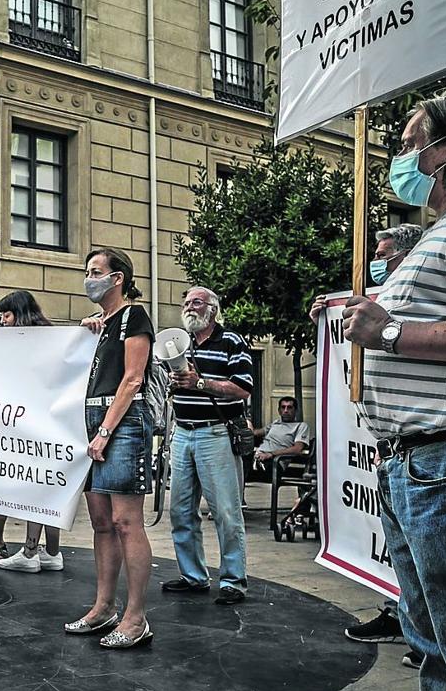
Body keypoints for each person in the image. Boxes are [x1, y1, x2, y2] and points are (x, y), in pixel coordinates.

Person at [339, 90, 446, 691]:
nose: (401, 155)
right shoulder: (435, 235)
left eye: (412, 139)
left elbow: (421, 331)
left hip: (443, 459)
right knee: (433, 640)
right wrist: (366, 307)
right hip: (411, 465)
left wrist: (389, 328)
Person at [310, 224, 424, 659]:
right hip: (391, 446)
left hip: (425, 447)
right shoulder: (380, 301)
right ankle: (408, 621)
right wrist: (328, 313)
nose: (378, 262)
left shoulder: (421, 298)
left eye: (385, 254)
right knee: (405, 554)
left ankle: (426, 634)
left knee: (430, 563)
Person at [64, 248, 154, 648]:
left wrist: (104, 430)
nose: (89, 278)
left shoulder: (134, 317)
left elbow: (133, 378)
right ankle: (104, 606)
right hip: (95, 419)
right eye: (87, 272)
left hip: (121, 420)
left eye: (96, 272)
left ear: (117, 278)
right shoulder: (104, 325)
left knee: (124, 521)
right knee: (101, 520)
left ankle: (136, 617)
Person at [163, 286, 254, 605]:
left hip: (215, 433)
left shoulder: (231, 341)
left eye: (196, 303)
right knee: (181, 510)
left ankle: (233, 580)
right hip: (183, 433)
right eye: (186, 302)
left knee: (226, 511)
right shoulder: (178, 344)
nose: (189, 307)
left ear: (212, 310)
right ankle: (193, 575)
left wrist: (200, 383)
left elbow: (242, 389)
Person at [0, 290, 64, 574]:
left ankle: (30, 550)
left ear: (20, 314)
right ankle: (52, 551)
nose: (3, 322)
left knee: (35, 489)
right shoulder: (53, 339)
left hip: (33, 424)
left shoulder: (29, 342)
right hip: (52, 423)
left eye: (7, 315)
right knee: (49, 489)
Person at [245, 396, 310, 482]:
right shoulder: (275, 423)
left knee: (244, 473)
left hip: (274, 462)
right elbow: (255, 433)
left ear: (295, 410)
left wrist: (271, 454)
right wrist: (247, 422)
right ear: (279, 410)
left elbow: (297, 449)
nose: (286, 411)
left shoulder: (301, 426)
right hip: (257, 457)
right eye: (283, 407)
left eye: (289, 407)